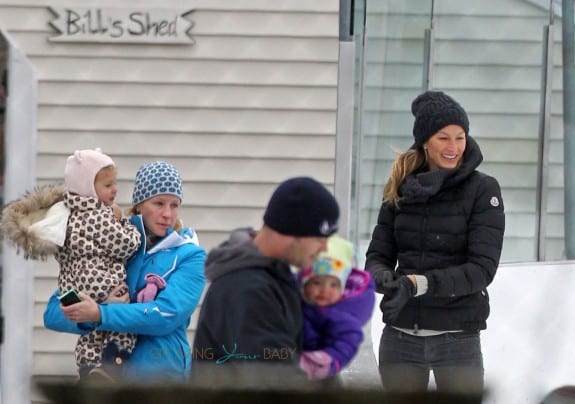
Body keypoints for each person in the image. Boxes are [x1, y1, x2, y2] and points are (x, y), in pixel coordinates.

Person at [365, 90, 505, 395]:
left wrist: (417, 284)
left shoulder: (482, 190)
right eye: (443, 137)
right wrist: (384, 279)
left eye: (460, 137)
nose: (453, 147)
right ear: (425, 141)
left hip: (457, 340)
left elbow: (482, 269)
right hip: (400, 338)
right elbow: (377, 257)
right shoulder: (401, 187)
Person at [42, 161, 206, 383]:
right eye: (159, 203)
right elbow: (53, 311)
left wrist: (102, 314)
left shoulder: (190, 256)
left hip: (162, 385)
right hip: (104, 386)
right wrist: (89, 315)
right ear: (139, 204)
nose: (167, 214)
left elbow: (166, 315)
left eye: (174, 205)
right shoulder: (114, 241)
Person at [2, 148, 141, 379]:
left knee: (92, 332)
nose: (115, 190)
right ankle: (112, 363)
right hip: (102, 282)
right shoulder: (98, 214)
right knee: (122, 324)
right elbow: (125, 244)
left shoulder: (66, 214)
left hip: (75, 288)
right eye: (108, 185)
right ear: (88, 188)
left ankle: (89, 368)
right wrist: (124, 223)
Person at [192, 176, 339, 387]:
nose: (324, 248)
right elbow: (275, 385)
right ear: (291, 232)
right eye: (319, 239)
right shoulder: (246, 290)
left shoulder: (274, 276)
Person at [297, 235, 375, 381]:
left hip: (320, 374)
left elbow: (346, 344)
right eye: (317, 283)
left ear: (342, 288)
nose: (325, 290)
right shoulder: (299, 302)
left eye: (333, 285)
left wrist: (322, 363)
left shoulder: (342, 316)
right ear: (304, 284)